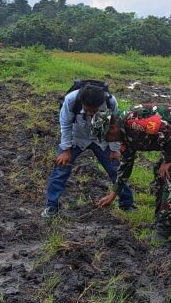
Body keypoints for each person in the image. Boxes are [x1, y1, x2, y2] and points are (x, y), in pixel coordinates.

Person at [97, 104, 171, 239]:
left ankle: (164, 230)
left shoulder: (132, 122)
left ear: (112, 128)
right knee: (160, 171)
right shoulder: (124, 134)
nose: (108, 141)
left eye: (106, 137)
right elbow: (126, 164)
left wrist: (168, 160)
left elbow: (165, 128)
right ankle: (159, 222)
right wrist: (114, 193)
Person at [41, 84, 135, 218]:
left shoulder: (110, 101)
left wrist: (114, 149)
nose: (91, 113)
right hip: (76, 137)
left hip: (101, 138)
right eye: (87, 110)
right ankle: (51, 206)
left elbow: (115, 125)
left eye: (94, 111)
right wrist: (66, 150)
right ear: (81, 102)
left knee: (116, 169)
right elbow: (65, 124)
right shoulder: (71, 100)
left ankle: (127, 205)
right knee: (61, 169)